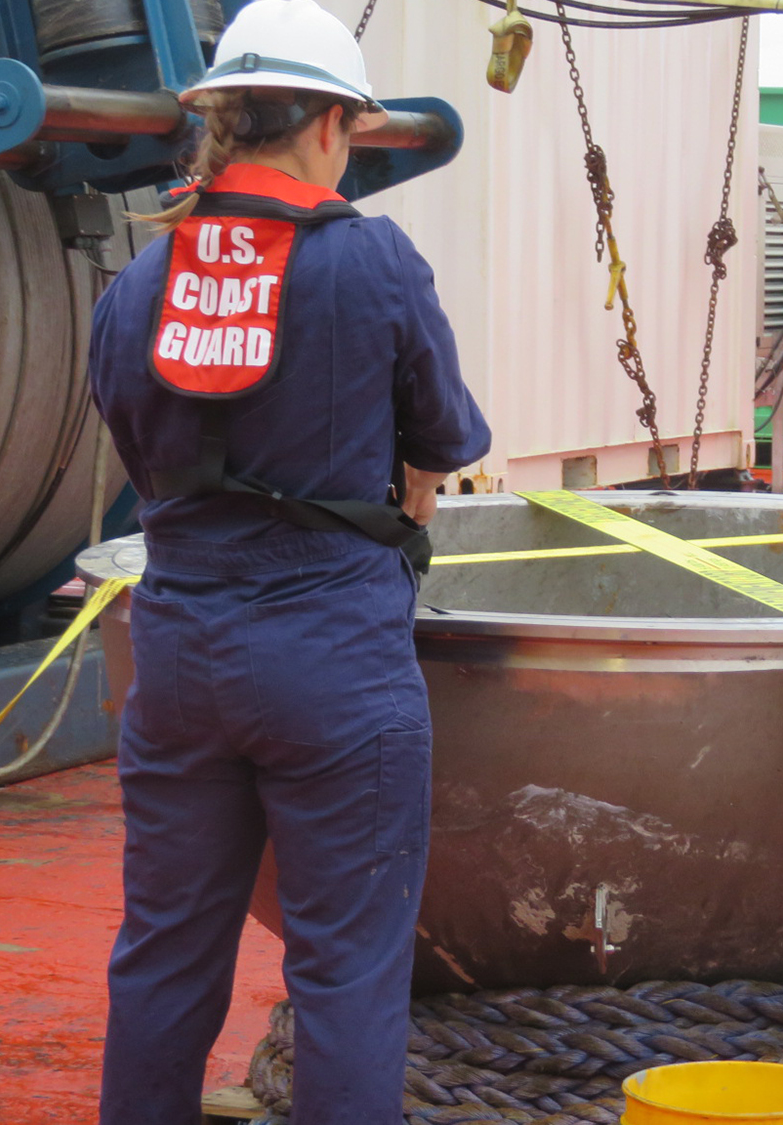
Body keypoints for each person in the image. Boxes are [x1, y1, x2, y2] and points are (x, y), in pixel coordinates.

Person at [84, 2, 489, 1121]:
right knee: (346, 969)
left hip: (177, 661)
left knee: (163, 951)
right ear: (329, 125)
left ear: (217, 122)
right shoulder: (370, 260)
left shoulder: (133, 286)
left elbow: (143, 454)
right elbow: (448, 440)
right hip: (334, 660)